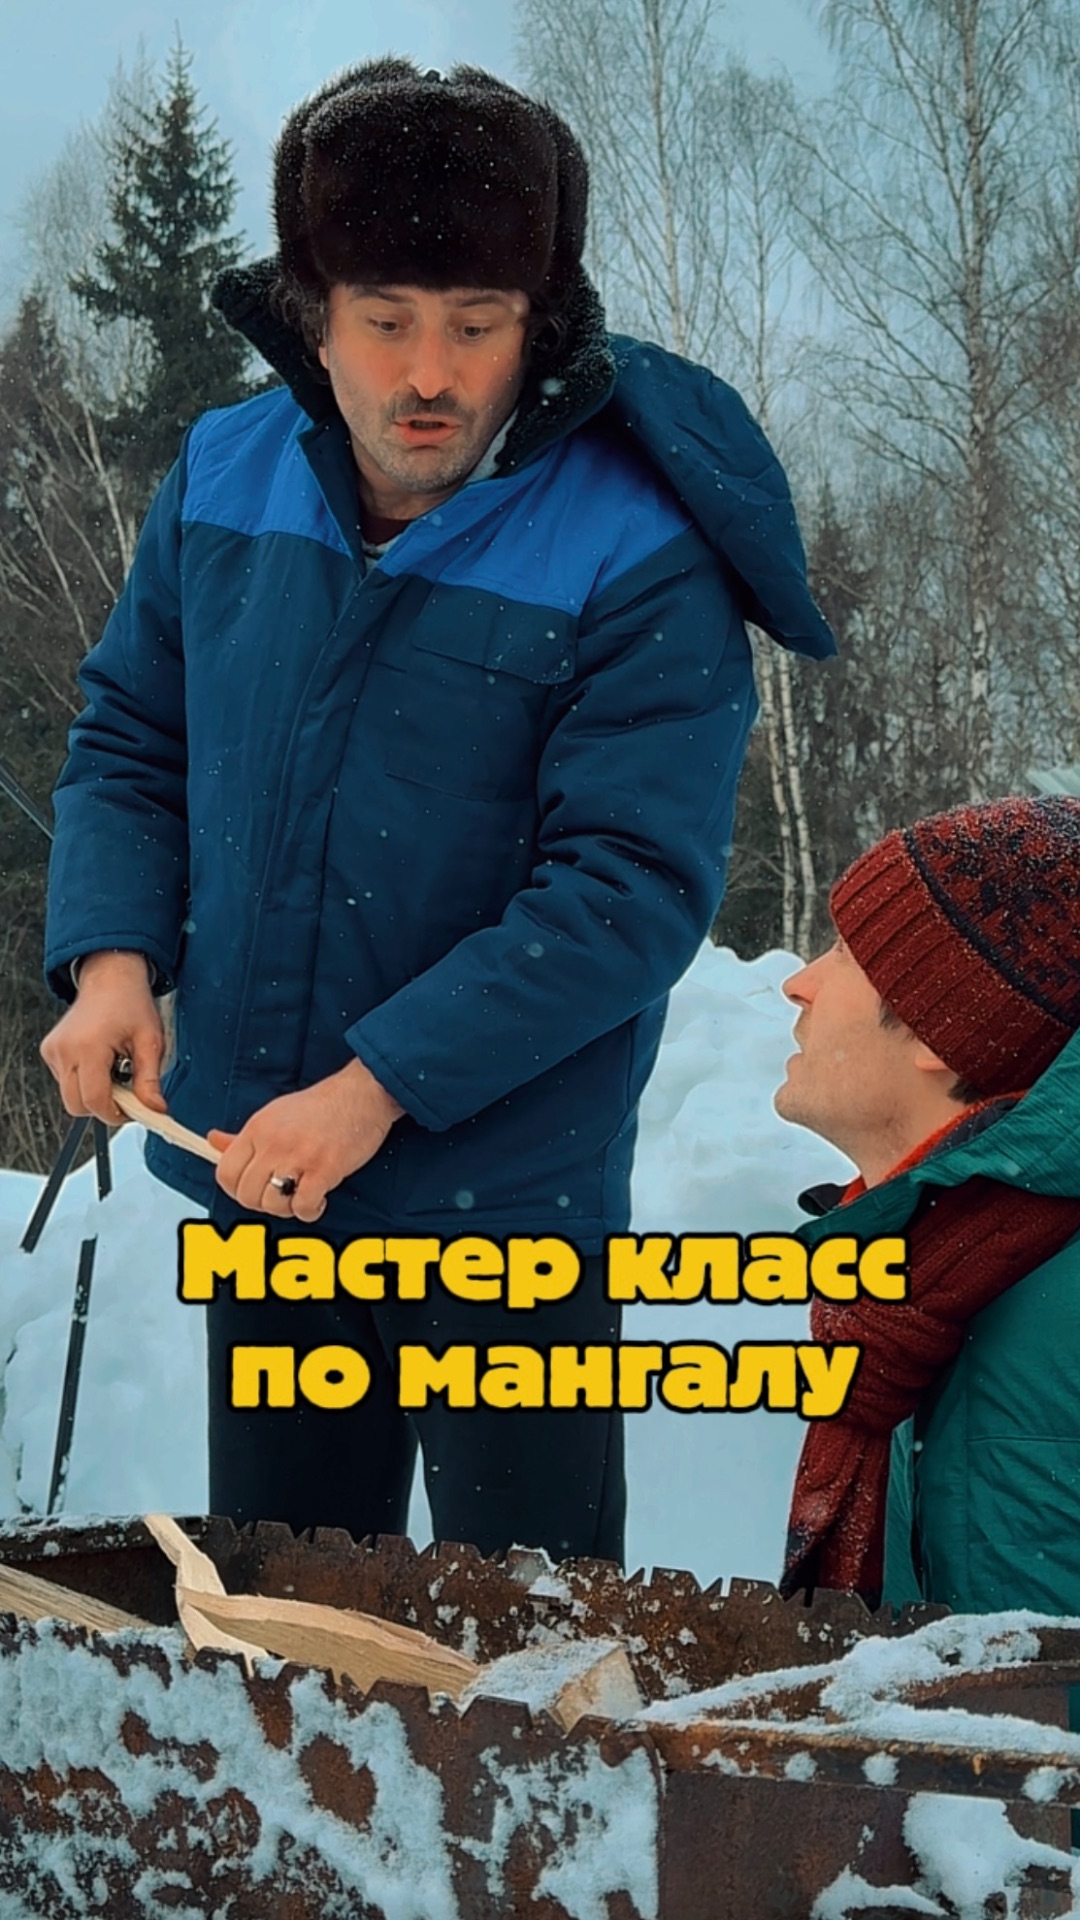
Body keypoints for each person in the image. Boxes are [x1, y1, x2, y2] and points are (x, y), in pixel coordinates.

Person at [40, 58, 833, 1566]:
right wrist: (113, 957)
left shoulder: (637, 545)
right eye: (385, 318)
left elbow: (627, 888)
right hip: (265, 1174)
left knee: (528, 1633)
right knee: (287, 1606)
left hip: (508, 1210)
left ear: (541, 325)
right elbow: (136, 735)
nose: (430, 374)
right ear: (311, 313)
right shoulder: (221, 475)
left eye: (477, 325)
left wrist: (375, 1088)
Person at [773, 795, 1080, 1614]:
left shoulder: (1047, 1306)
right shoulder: (932, 1273)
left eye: (845, 952)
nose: (798, 984)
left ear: (936, 1032)